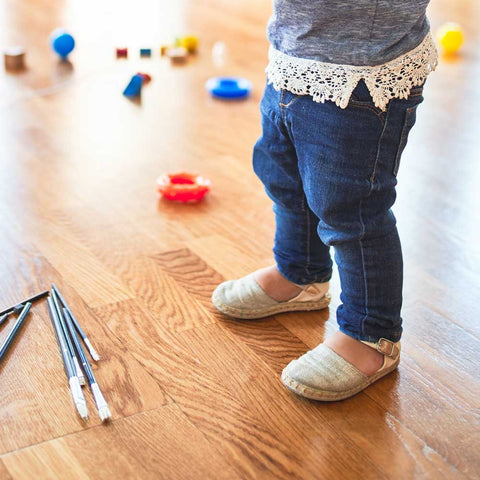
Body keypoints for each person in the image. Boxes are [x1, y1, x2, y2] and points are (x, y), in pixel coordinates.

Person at [212, 0, 438, 401]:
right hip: (294, 57)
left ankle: (371, 334)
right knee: (286, 175)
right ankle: (301, 273)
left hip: (362, 74)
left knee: (351, 207)